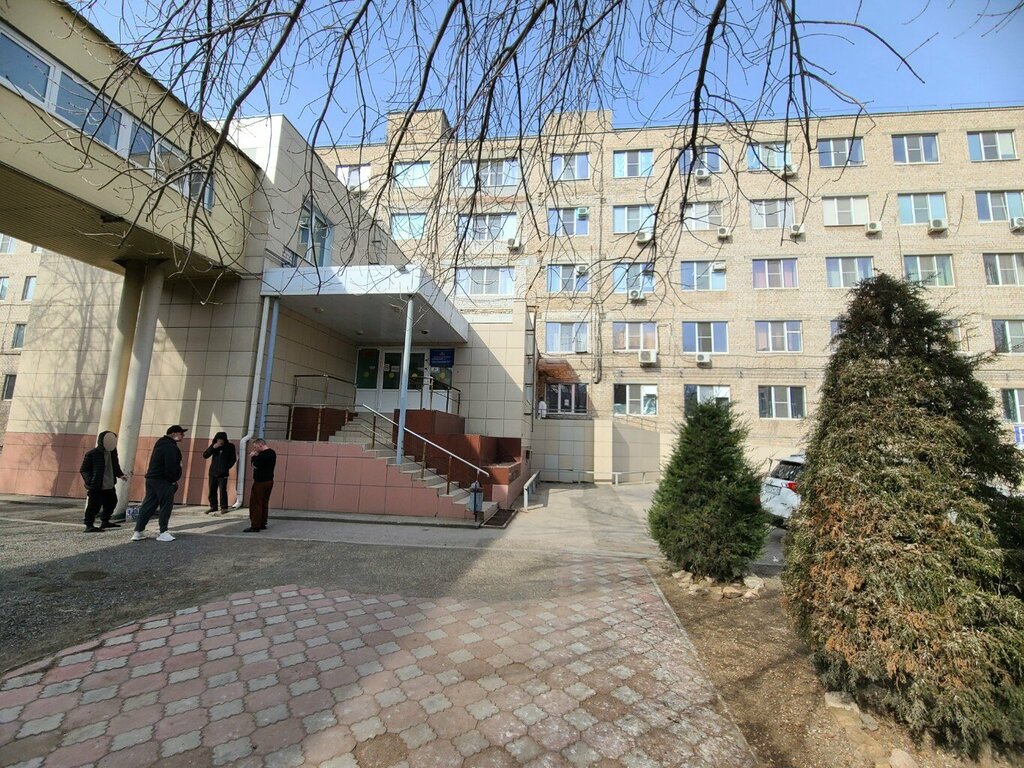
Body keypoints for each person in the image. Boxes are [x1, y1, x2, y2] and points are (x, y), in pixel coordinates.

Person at [132, 425, 186, 542]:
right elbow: (171, 465)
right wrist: (173, 479)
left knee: (148, 505)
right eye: (181, 434)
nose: (183, 436)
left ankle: (138, 531)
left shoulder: (160, 444)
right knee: (166, 505)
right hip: (163, 480)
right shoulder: (170, 447)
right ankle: (163, 532)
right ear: (173, 434)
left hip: (152, 479)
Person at [79, 430, 128, 533]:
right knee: (94, 506)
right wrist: (90, 481)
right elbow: (84, 470)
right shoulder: (92, 454)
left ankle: (105, 521)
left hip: (109, 484)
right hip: (96, 485)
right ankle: (89, 525)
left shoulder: (112, 452)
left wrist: (120, 475)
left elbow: (115, 465)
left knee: (112, 502)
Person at [245, 438, 276, 533]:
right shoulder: (272, 453)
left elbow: (255, 465)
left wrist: (253, 457)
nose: (254, 449)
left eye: (255, 447)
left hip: (260, 482)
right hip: (269, 481)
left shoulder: (262, 455)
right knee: (264, 503)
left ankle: (255, 525)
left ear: (260, 445)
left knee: (256, 503)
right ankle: (263, 522)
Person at [202, 432, 236, 514]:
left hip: (223, 473)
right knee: (212, 490)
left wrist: (226, 467)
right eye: (218, 439)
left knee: (222, 490)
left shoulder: (230, 446)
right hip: (213, 472)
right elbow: (205, 455)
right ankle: (213, 506)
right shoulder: (214, 446)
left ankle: (224, 507)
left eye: (221, 439)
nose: (220, 441)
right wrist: (213, 447)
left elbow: (233, 459)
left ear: (224, 440)